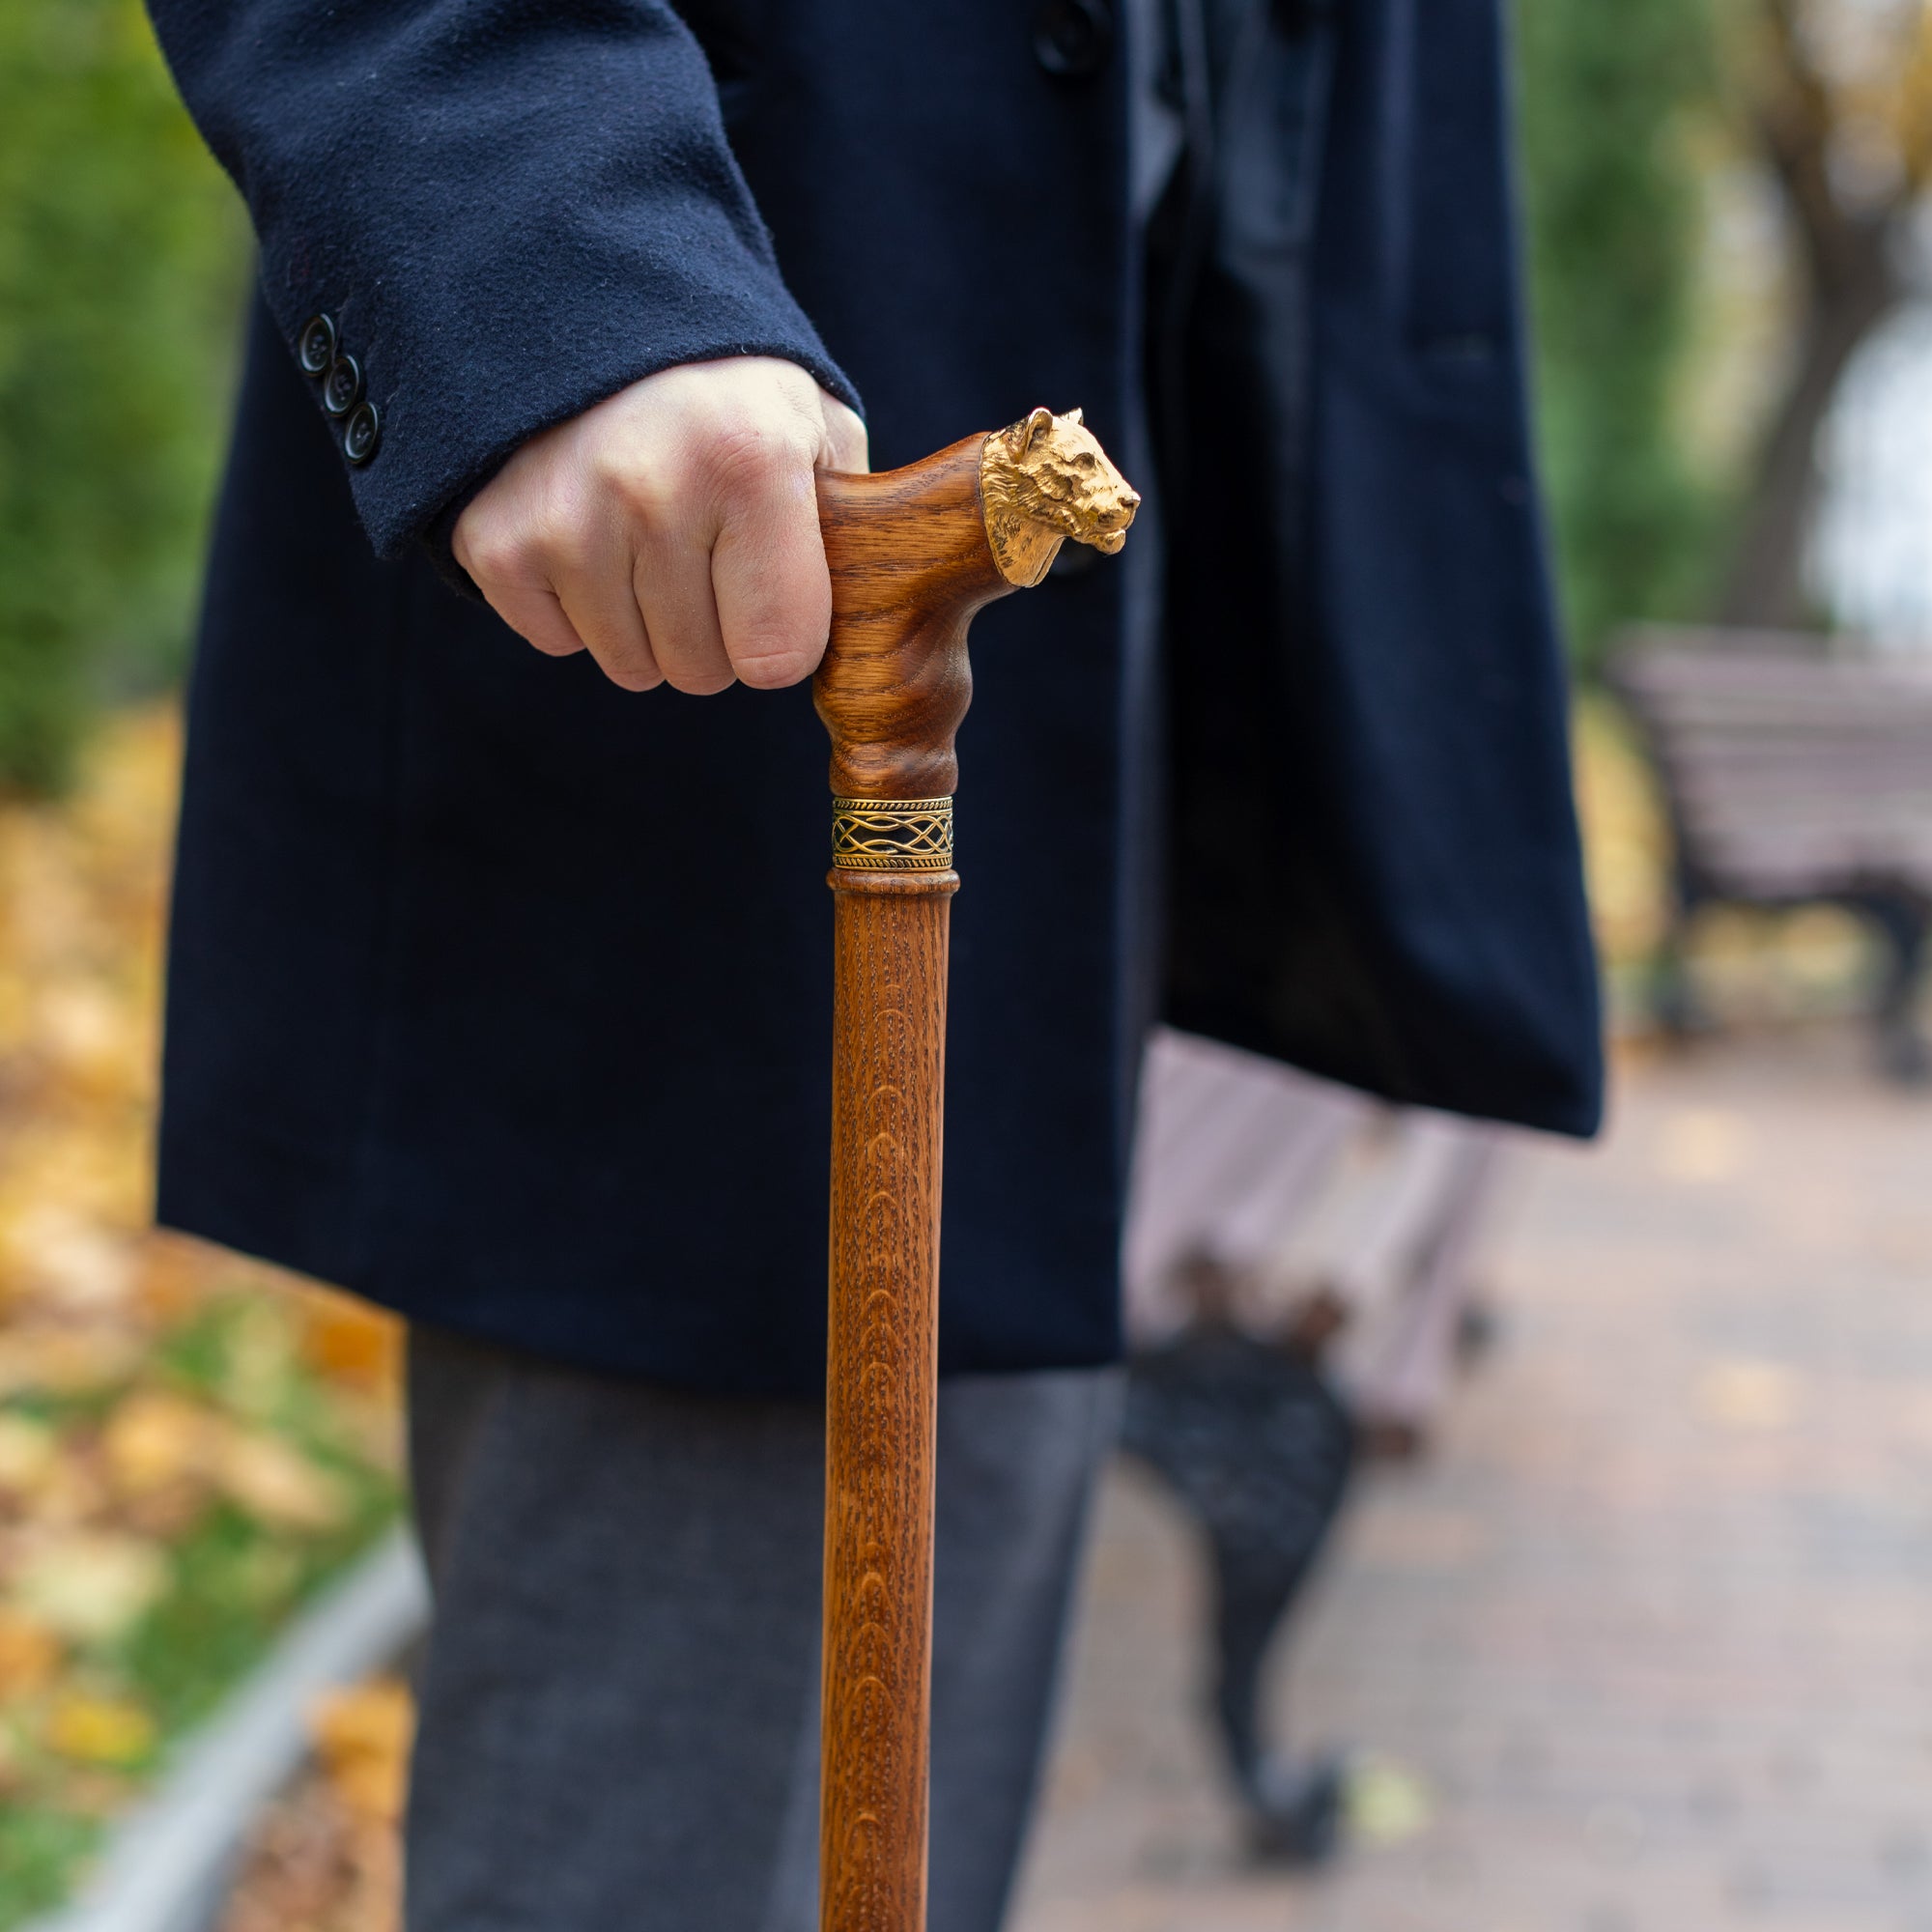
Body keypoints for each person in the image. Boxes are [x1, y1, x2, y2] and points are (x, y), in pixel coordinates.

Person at [141, 0, 1602, 1926]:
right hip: (706, 509)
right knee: (691, 1761)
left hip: (1108, 514)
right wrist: (543, 226)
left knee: (942, 1675)